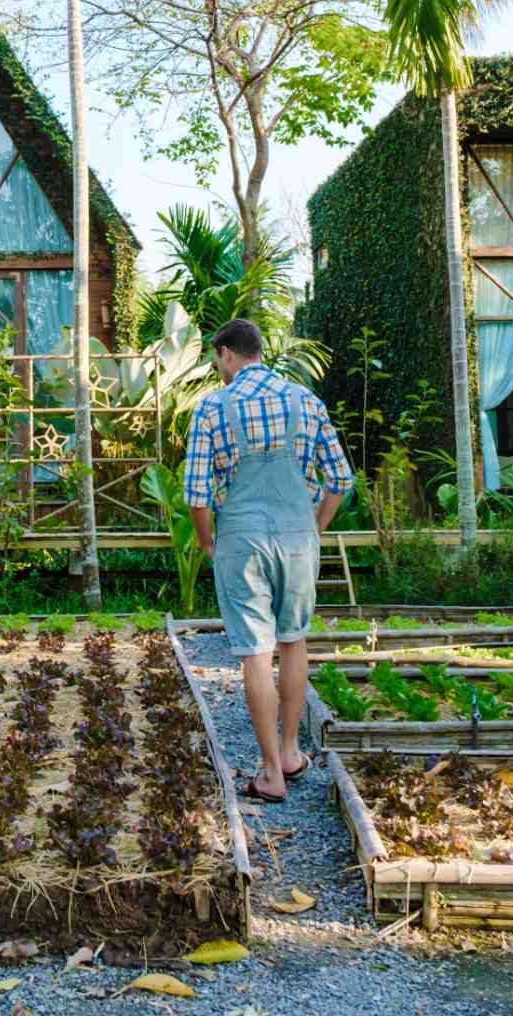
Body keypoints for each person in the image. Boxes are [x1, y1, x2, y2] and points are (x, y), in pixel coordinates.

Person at [183, 317, 353, 804]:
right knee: (294, 641)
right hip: (298, 538)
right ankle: (292, 752)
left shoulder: (213, 406)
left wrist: (207, 542)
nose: (218, 368)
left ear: (227, 354)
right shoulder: (304, 400)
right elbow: (340, 479)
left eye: (217, 360)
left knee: (256, 653)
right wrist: (314, 528)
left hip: (242, 541)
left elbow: (197, 493)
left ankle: (270, 773)